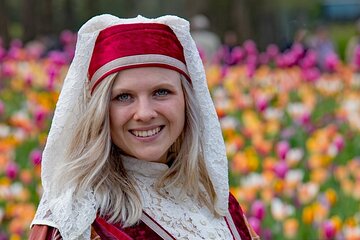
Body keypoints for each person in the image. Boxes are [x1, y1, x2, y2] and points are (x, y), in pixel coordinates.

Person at [29, 14, 259, 240]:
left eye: (161, 92)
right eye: (124, 96)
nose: (145, 113)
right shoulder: (78, 219)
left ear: (187, 101)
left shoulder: (216, 201)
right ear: (100, 111)